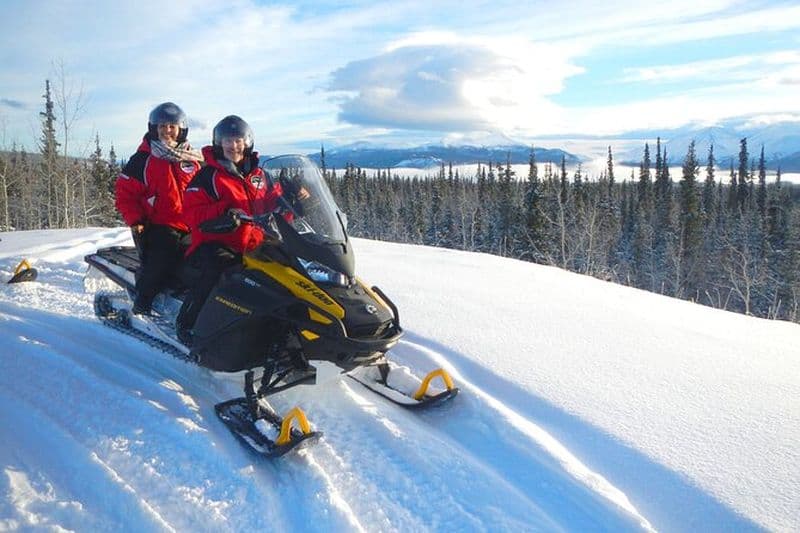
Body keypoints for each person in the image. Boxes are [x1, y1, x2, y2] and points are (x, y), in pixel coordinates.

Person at [175, 115, 289, 344]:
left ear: (247, 142)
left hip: (256, 242)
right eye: (228, 141)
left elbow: (275, 206)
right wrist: (224, 212)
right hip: (216, 241)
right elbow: (191, 213)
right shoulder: (208, 177)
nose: (233, 146)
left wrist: (293, 200)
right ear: (219, 143)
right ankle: (188, 323)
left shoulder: (259, 174)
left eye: (237, 140)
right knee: (218, 268)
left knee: (287, 271)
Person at [115, 102, 203, 315]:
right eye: (162, 126)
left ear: (181, 129)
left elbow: (209, 188)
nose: (167, 131)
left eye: (172, 126)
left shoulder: (193, 159)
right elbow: (124, 194)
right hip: (160, 224)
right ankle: (143, 300)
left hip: (193, 224)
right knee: (162, 259)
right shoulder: (143, 159)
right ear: (153, 128)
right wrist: (135, 219)